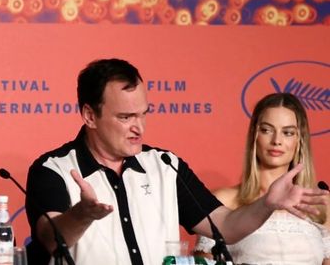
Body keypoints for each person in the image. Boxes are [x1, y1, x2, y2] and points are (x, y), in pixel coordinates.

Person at [24, 58, 328, 264]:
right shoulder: (54, 169)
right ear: (90, 115)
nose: (138, 128)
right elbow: (50, 238)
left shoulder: (166, 166)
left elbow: (225, 226)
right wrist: (82, 214)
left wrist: (267, 204)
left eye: (143, 114)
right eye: (126, 117)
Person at [193, 92, 330, 264]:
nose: (276, 140)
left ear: (300, 140)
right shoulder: (224, 201)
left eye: (287, 133)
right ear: (254, 137)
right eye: (266, 130)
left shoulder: (322, 205)